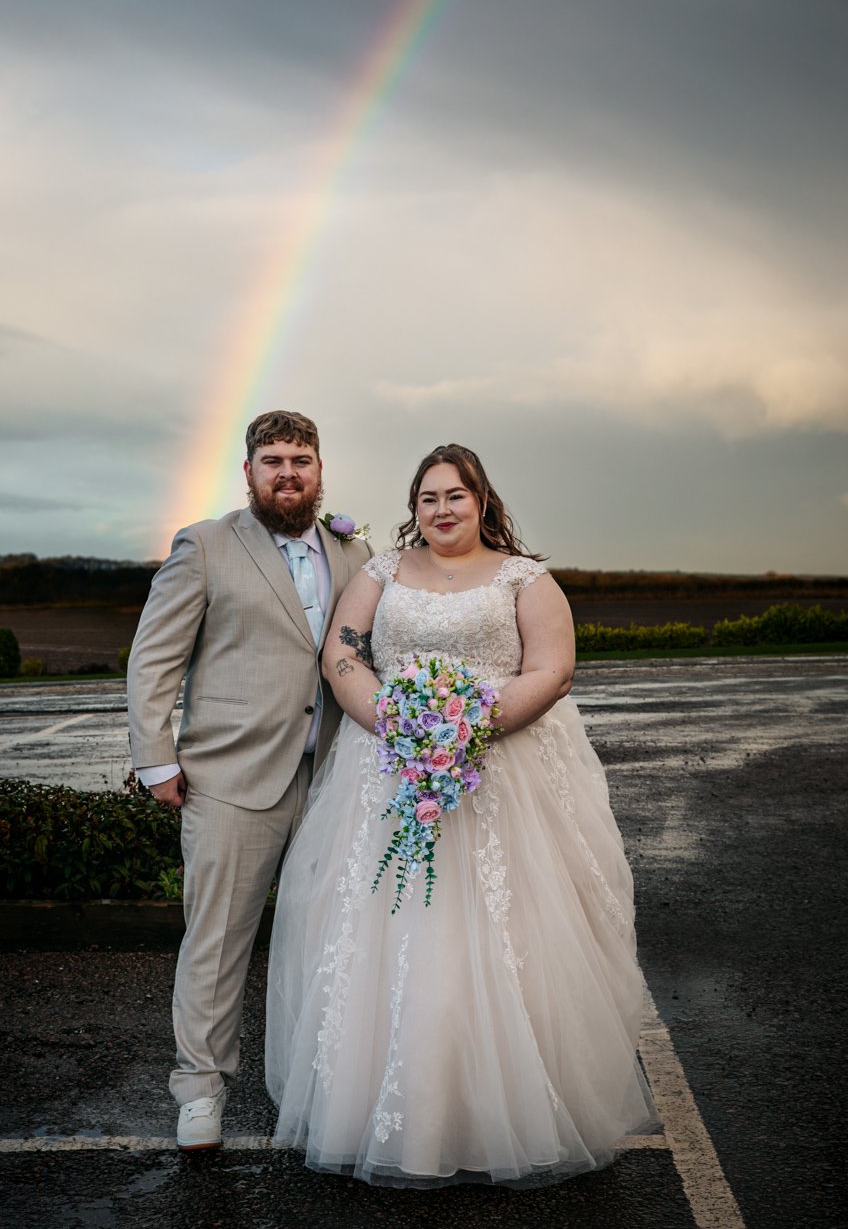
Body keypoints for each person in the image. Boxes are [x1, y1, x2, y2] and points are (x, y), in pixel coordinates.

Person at [266, 443, 656, 1187]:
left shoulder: (524, 577)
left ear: (481, 501)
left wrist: (466, 728)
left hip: (503, 773)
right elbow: (343, 658)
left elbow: (553, 668)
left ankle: (505, 1109)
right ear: (413, 508)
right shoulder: (382, 572)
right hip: (388, 769)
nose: (441, 510)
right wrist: (398, 722)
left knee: (511, 932)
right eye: (427, 498)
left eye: (455, 496)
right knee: (394, 929)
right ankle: (393, 1109)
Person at [127, 409, 371, 1152]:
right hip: (231, 779)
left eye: (301, 458)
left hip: (334, 776)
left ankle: (328, 1085)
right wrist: (155, 758)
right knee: (218, 939)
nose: (288, 472)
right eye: (273, 460)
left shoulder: (352, 551)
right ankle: (199, 1091)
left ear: (320, 469)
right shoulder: (203, 546)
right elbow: (153, 658)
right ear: (249, 471)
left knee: (337, 938)